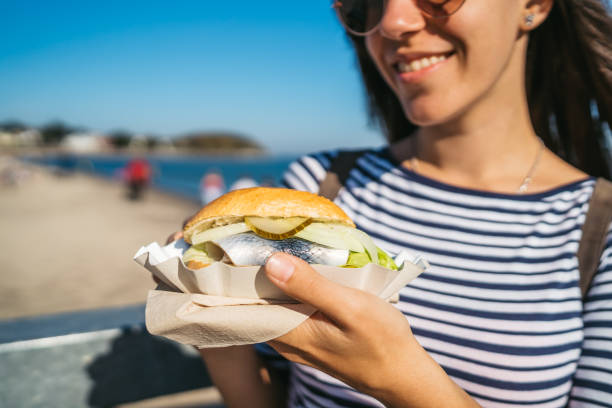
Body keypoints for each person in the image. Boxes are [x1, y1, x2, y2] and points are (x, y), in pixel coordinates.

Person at [168, 0, 612, 406]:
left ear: (533, 4)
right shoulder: (320, 188)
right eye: (368, 2)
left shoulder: (600, 229)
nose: (394, 22)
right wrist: (211, 318)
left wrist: (400, 381)